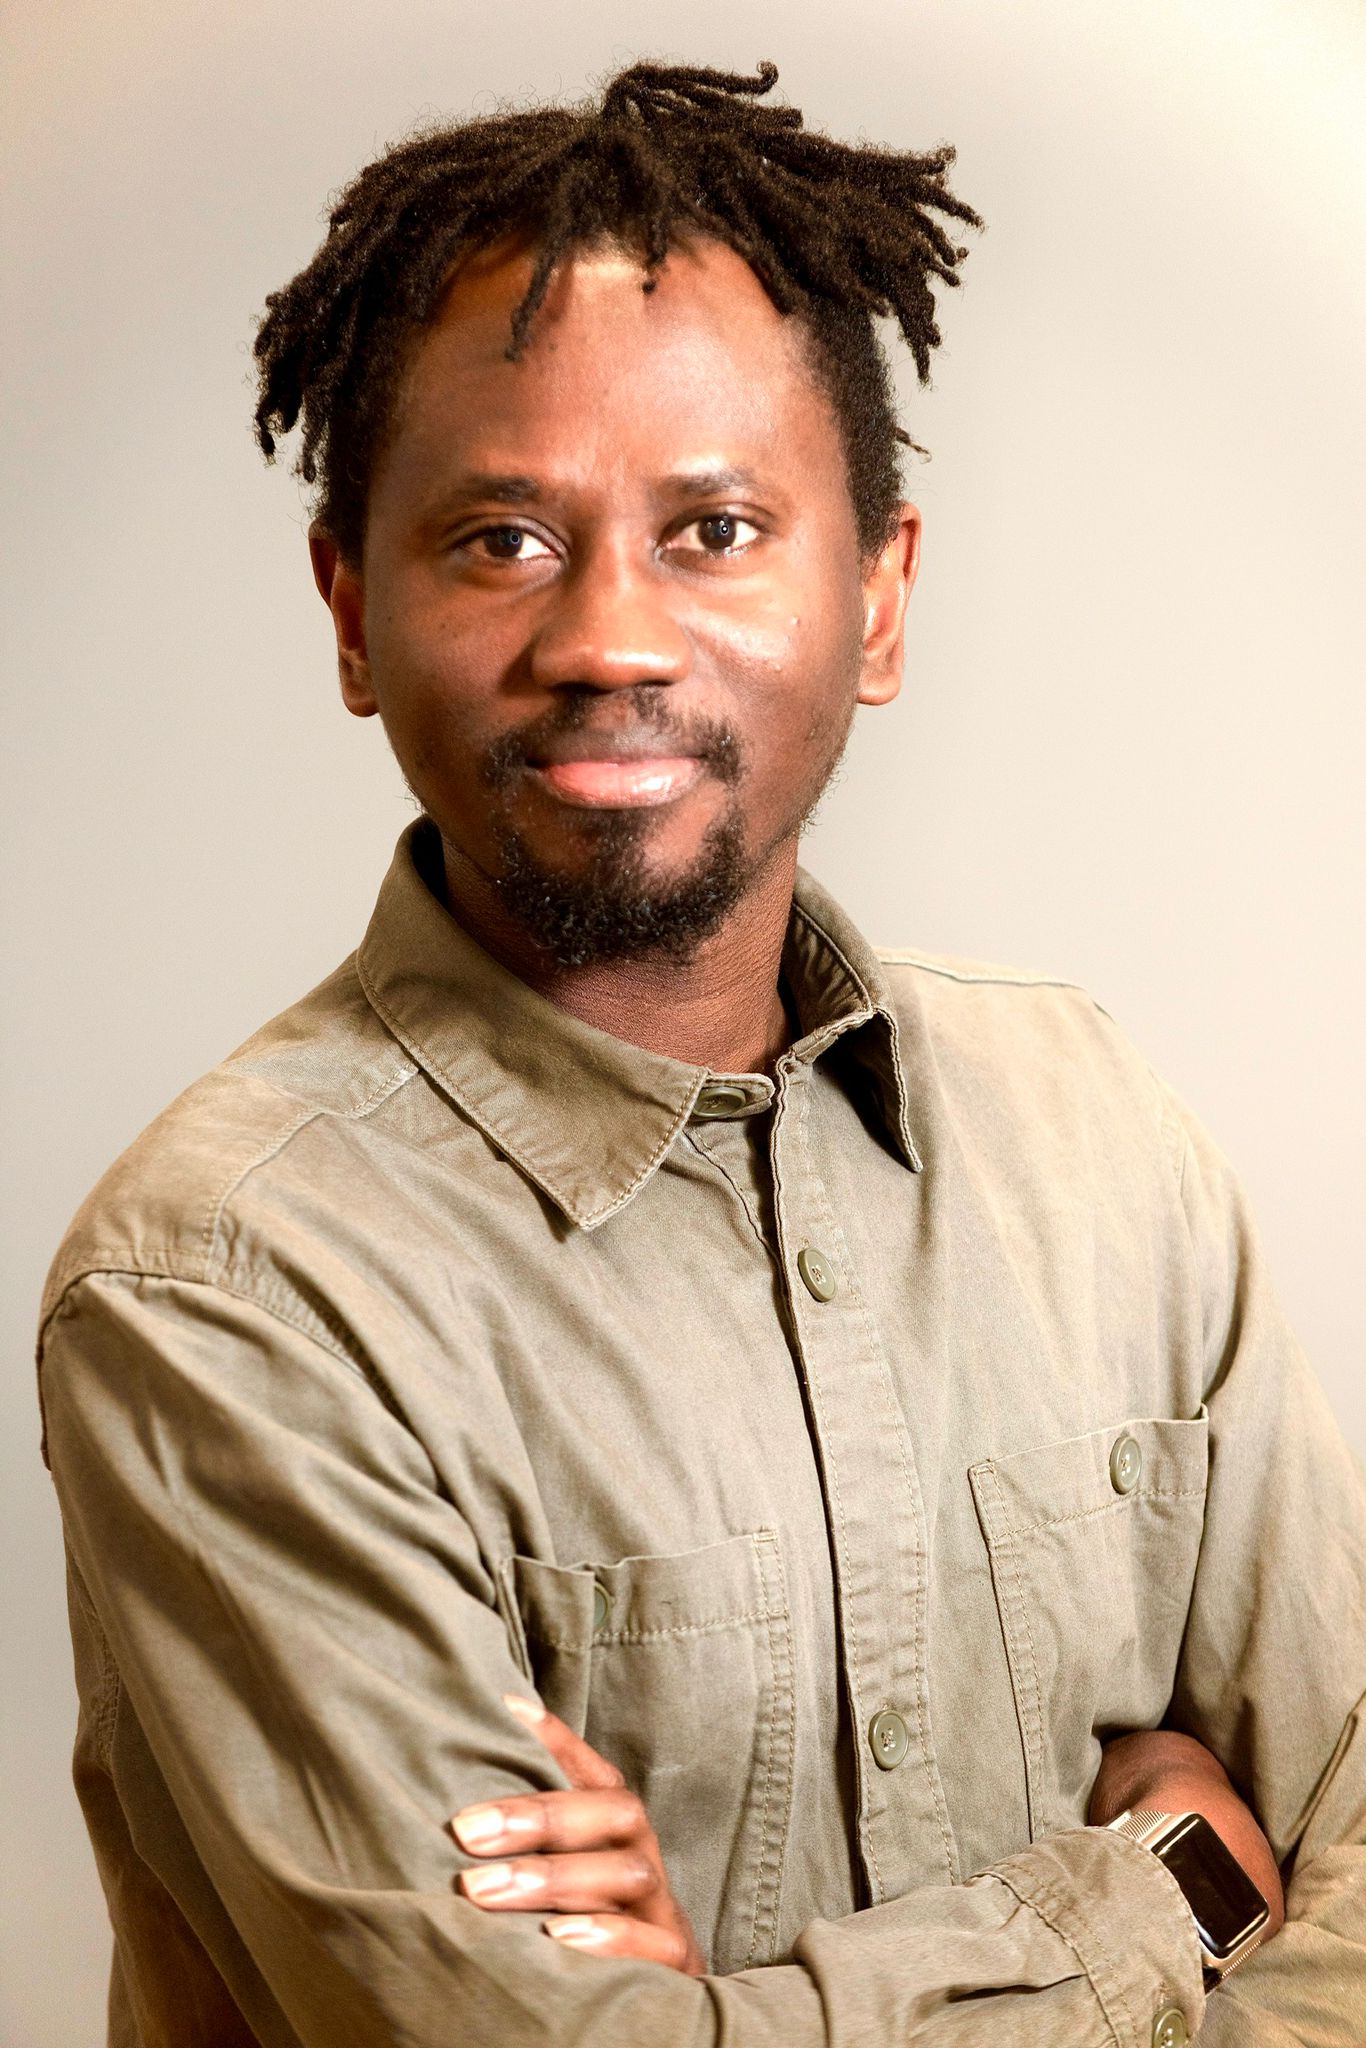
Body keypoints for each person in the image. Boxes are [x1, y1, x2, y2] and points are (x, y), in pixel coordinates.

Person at [37, 58, 1363, 2048]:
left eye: (716, 527)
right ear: (350, 610)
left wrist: (733, 2003)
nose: (609, 638)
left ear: (878, 599)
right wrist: (1152, 1895)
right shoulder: (228, 1290)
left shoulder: (1086, 1124)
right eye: (501, 538)